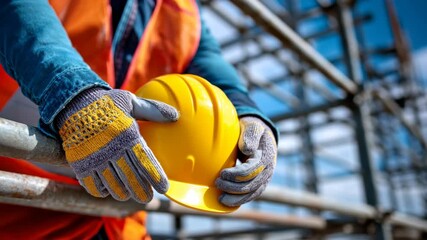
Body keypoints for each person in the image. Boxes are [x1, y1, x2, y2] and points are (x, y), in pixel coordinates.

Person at [0, 0, 278, 239]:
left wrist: (248, 114)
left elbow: (211, 67)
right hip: (18, 198)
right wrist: (73, 94)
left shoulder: (185, 11)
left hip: (120, 206)